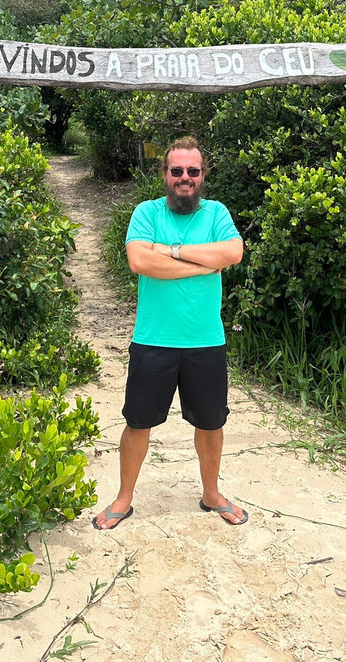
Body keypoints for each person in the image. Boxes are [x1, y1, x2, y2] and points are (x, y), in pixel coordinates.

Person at [92, 136, 247, 529]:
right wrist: (202, 262)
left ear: (202, 175)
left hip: (206, 341)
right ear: (165, 174)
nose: (184, 178)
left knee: (211, 423)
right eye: (176, 171)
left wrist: (171, 251)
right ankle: (124, 498)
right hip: (153, 339)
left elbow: (232, 253)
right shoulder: (147, 212)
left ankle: (211, 494)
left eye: (192, 171)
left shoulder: (216, 213)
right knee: (138, 422)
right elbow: (139, 261)